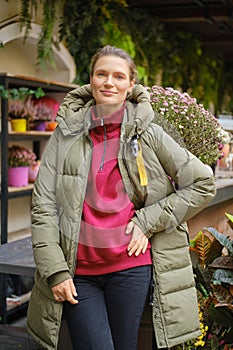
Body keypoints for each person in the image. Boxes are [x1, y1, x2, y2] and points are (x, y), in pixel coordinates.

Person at [27, 45, 216, 350]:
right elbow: (43, 207)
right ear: (91, 80)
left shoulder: (150, 134)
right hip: (79, 274)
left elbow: (203, 183)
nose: (109, 82)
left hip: (130, 269)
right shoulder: (64, 136)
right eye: (102, 74)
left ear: (130, 86)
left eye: (118, 76)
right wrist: (56, 271)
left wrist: (146, 220)